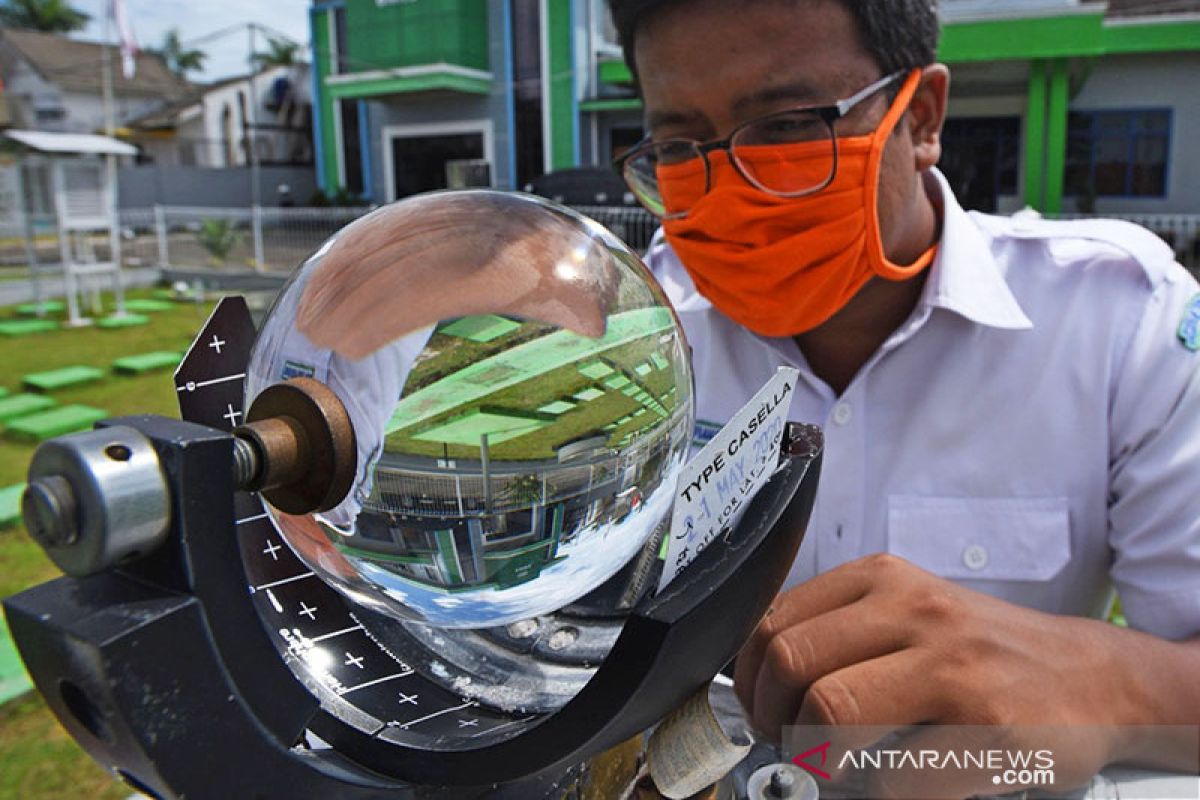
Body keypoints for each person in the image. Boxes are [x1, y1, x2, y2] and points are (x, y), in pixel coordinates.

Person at [607, 0, 1200, 794]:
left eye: (785, 126)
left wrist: (1106, 686)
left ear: (920, 117)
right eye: (681, 145)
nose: (731, 190)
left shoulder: (1119, 322)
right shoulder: (641, 340)